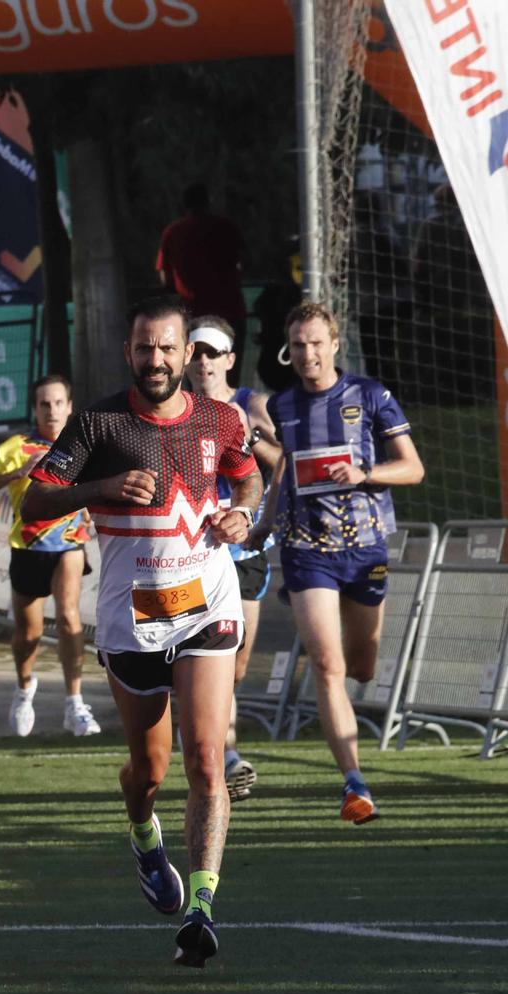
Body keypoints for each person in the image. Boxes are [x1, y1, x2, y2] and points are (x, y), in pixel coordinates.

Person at [21, 294, 261, 969]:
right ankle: (142, 829)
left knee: (207, 759)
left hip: (208, 607)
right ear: (128, 352)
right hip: (133, 623)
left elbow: (249, 478)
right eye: (143, 348)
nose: (155, 360)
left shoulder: (221, 418)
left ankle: (203, 907)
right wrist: (95, 489)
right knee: (149, 771)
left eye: (167, 347)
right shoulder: (98, 422)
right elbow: (34, 501)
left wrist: (243, 514)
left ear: (187, 354)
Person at [256, 301, 425, 825]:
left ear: (333, 346)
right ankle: (354, 784)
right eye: (298, 345)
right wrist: (262, 523)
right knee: (327, 667)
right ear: (289, 351)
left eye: (315, 343)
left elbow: (413, 468)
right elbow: (284, 471)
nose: (307, 353)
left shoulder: (369, 395)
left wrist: (365, 473)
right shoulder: (281, 406)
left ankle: (355, 713)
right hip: (306, 549)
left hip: (365, 546)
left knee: (361, 666)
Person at [184, 316, 282, 801]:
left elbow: (280, 462)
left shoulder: (250, 405)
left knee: (237, 666)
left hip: (246, 550)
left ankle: (213, 745)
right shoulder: (175, 407)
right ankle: (224, 757)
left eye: (211, 353)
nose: (202, 362)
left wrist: (248, 439)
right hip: (193, 554)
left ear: (229, 359)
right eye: (195, 352)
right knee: (208, 658)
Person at [0, 374, 100, 739]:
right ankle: (24, 688)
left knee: (68, 618)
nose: (52, 410)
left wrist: (92, 515)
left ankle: (74, 703)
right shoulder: (18, 446)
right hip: (28, 546)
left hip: (70, 544)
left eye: (59, 403)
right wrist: (17, 473)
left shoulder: (83, 444)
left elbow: (93, 488)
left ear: (70, 406)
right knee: (27, 633)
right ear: (35, 408)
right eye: (45, 404)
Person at [155, 183, 246, 380]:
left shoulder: (174, 232)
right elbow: (243, 263)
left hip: (191, 313)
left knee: (192, 374)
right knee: (229, 373)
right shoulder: (226, 227)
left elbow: (164, 275)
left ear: (184, 204)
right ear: (208, 201)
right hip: (228, 310)